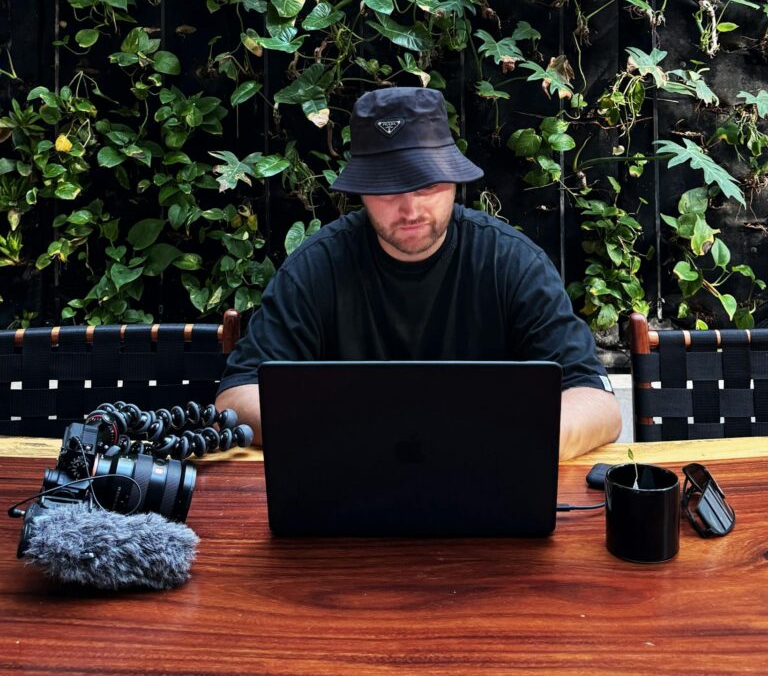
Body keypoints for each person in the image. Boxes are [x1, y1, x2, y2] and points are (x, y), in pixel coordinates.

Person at [215, 87, 622, 459]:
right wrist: (364, 435)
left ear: (452, 181)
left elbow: (598, 404)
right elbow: (235, 399)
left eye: (426, 186)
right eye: (388, 189)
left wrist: (493, 441)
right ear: (361, 191)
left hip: (487, 487)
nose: (410, 210)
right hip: (350, 491)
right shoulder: (315, 268)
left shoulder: (511, 263)